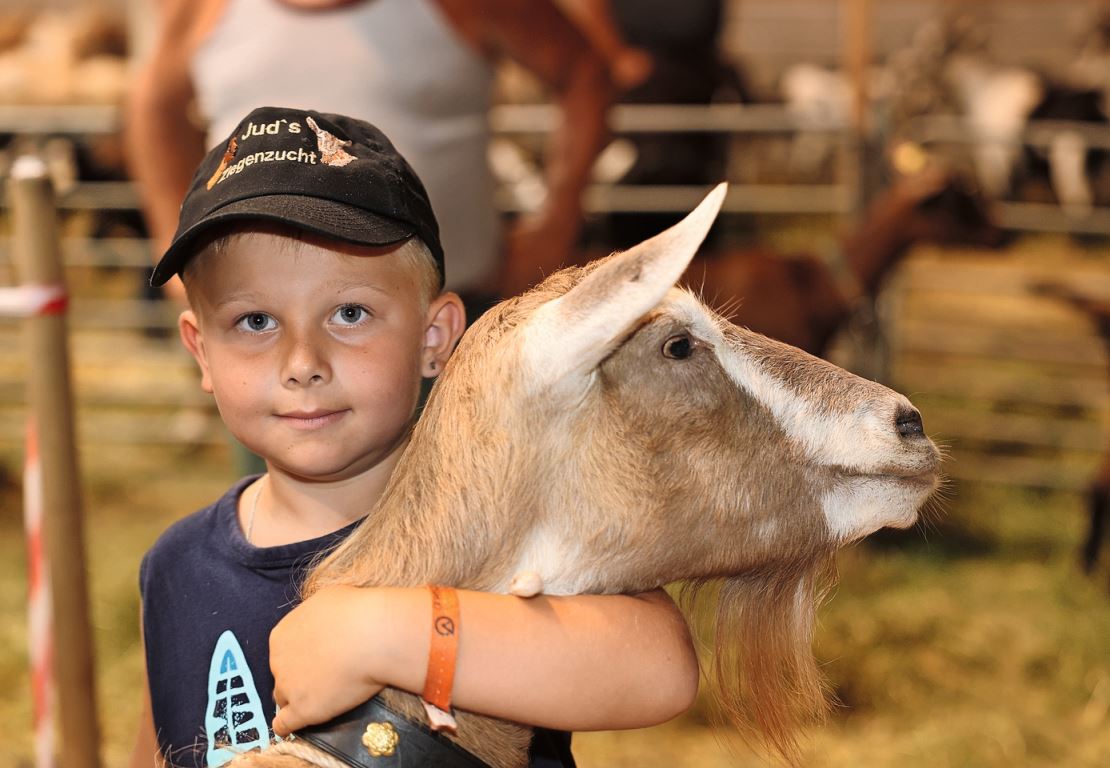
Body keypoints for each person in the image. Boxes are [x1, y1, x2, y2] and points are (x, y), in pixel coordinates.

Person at [129, 106, 698, 768]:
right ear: (202, 354)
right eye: (255, 321)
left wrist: (388, 634)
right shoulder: (175, 568)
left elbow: (660, 668)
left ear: (434, 339)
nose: (301, 360)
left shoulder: (497, 528)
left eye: (349, 313)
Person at [125, 0, 612, 310]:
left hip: (452, 315)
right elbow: (154, 106)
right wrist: (171, 233)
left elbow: (584, 72)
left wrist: (558, 221)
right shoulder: (202, 7)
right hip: (264, 324)